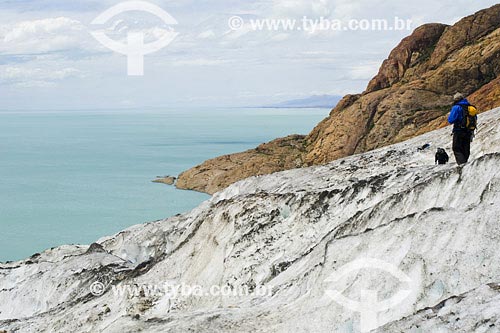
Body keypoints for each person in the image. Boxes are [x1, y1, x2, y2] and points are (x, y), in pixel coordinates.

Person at [447, 93, 475, 165]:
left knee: (457, 148)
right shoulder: (470, 107)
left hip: (459, 131)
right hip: (469, 131)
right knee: (466, 149)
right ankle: (466, 164)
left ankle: (462, 165)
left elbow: (451, 120)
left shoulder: (456, 107)